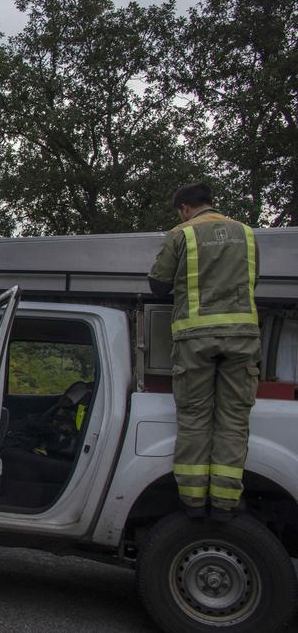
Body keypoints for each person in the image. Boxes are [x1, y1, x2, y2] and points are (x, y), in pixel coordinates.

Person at [148, 181, 261, 521]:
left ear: (184, 208)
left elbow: (158, 284)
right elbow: (253, 281)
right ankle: (226, 503)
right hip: (242, 337)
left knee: (195, 419)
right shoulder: (246, 234)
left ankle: (193, 503)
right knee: (233, 420)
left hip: (195, 339)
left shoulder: (181, 234)